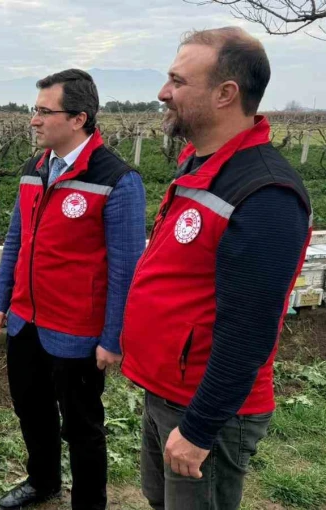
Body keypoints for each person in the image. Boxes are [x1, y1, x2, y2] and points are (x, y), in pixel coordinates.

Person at [120, 27, 312, 510]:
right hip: (167, 391)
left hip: (206, 410)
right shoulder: (200, 165)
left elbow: (249, 330)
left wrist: (200, 427)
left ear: (226, 94)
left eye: (177, 81)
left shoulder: (265, 194)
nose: (164, 92)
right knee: (160, 500)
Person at [0, 69, 146, 510]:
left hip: (77, 333)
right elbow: (15, 241)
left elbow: (125, 271)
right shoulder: (32, 169)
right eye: (33, 111)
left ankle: (89, 503)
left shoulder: (117, 180)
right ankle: (43, 481)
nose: (33, 120)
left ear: (78, 118)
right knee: (31, 411)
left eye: (43, 111)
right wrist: (2, 299)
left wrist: (113, 339)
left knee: (82, 427)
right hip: (26, 322)